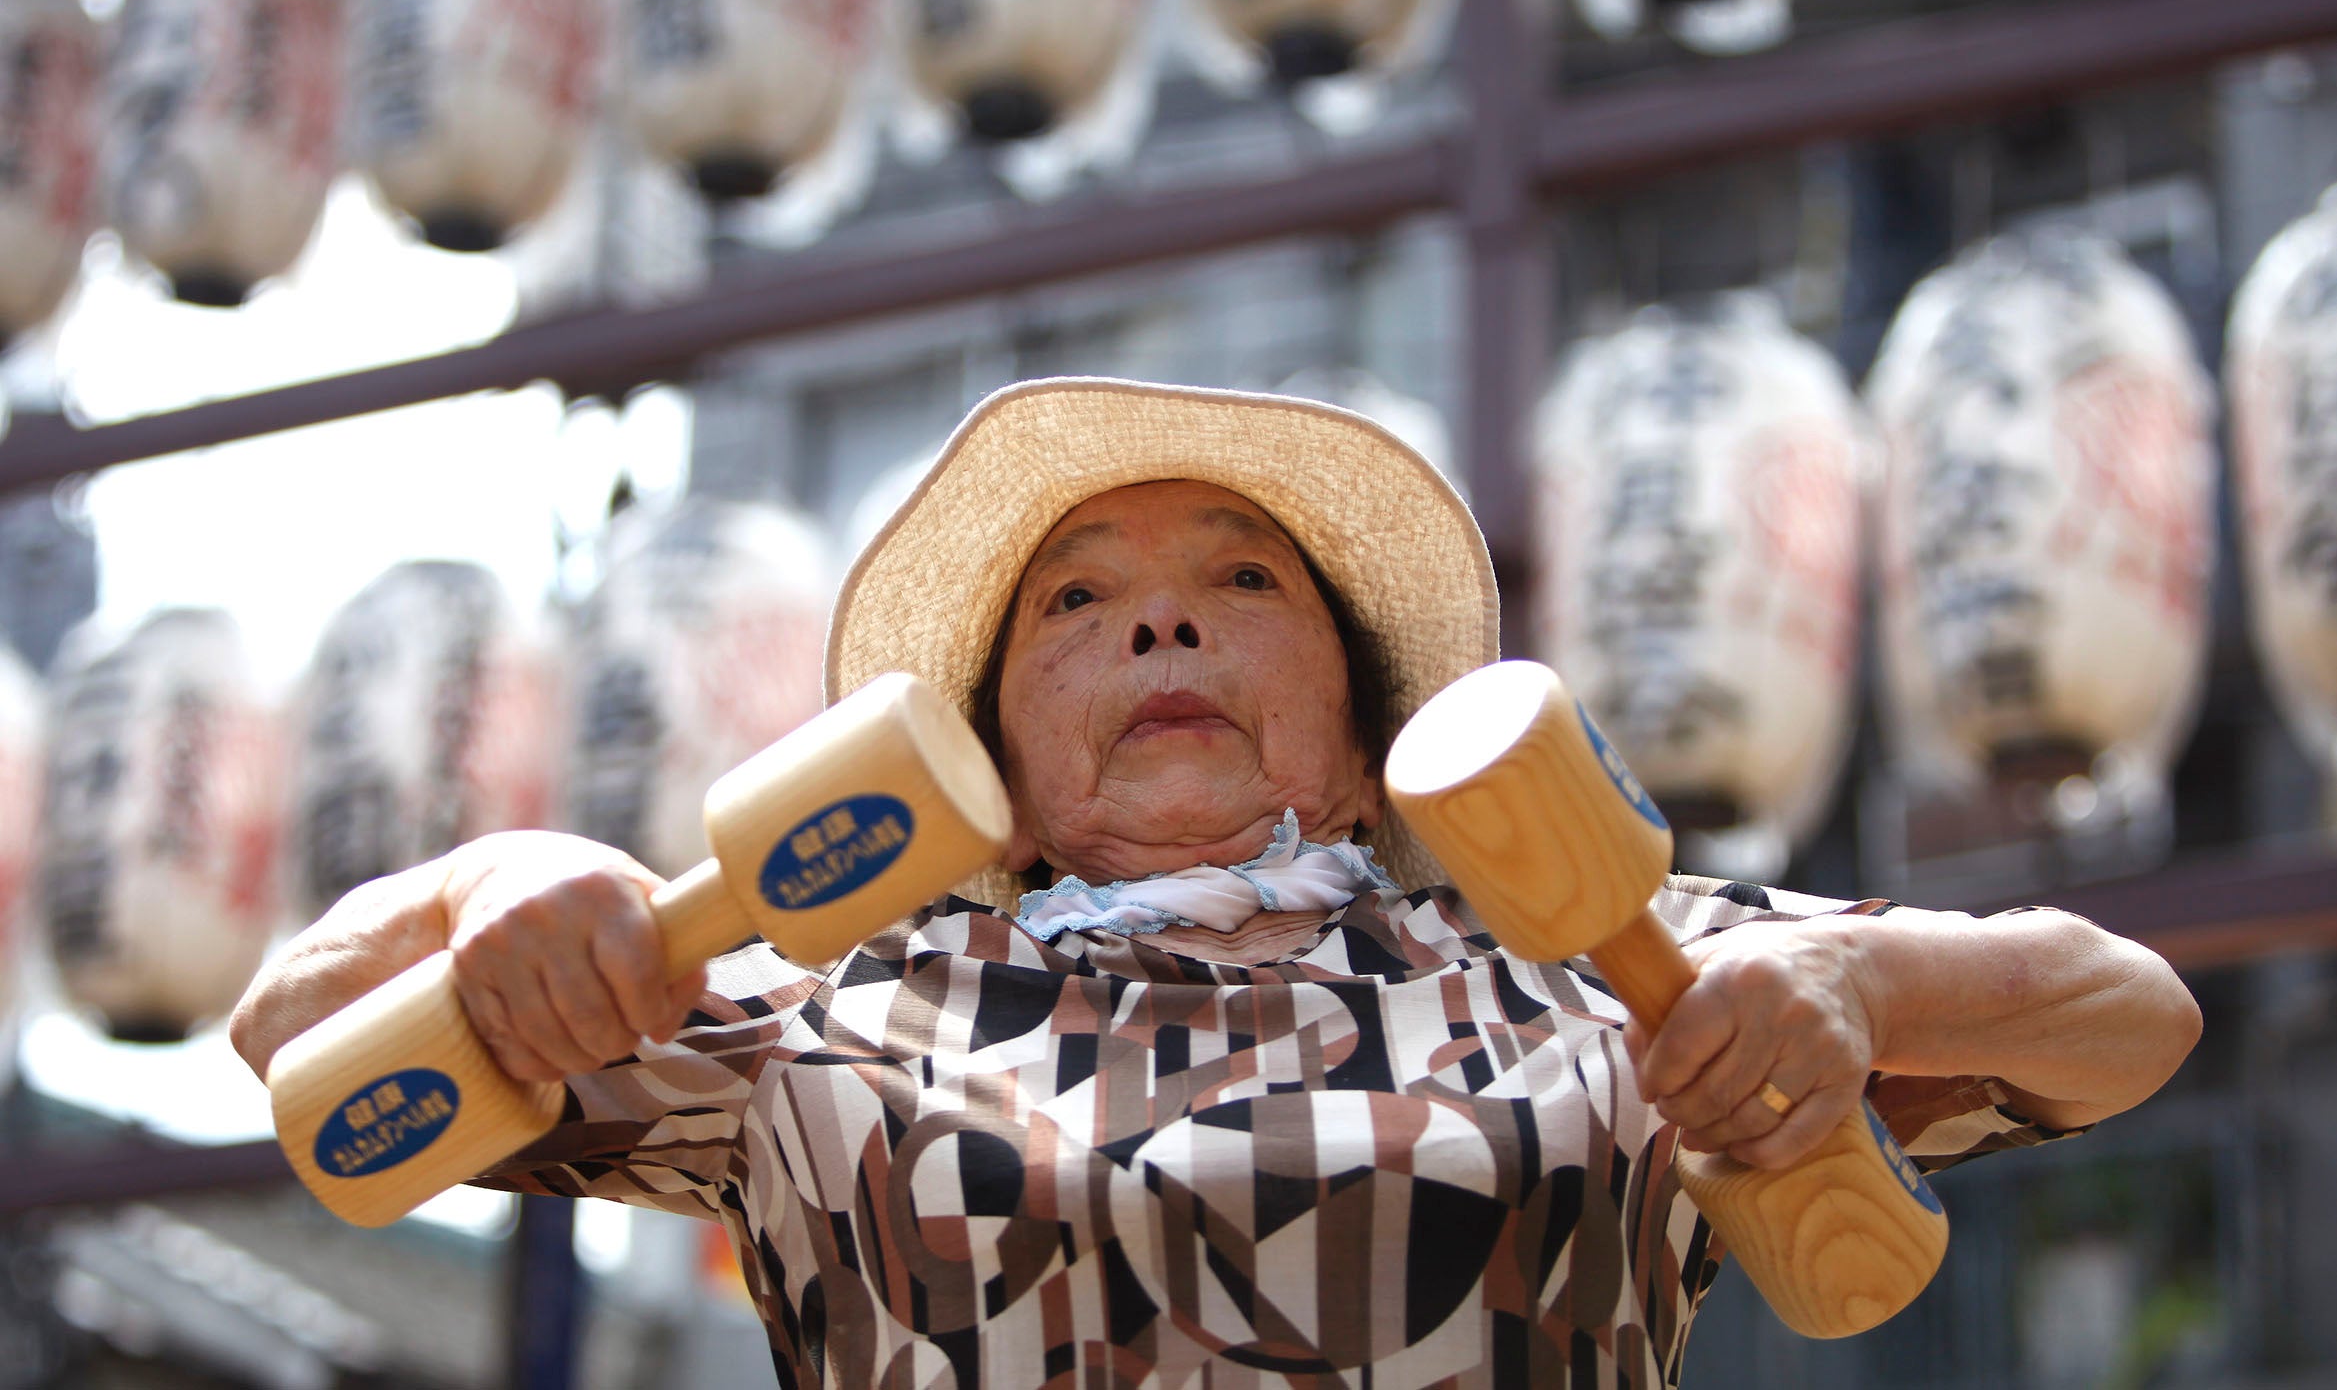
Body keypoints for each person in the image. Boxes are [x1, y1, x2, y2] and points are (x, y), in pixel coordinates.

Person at [232, 378, 2201, 1388]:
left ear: (1355, 734)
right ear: (987, 770)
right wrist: (507, 887)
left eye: (1238, 580)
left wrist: (1849, 998)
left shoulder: (1589, 970)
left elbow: (2123, 1011)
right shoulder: (823, 1030)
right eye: (1075, 601)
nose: (1159, 611)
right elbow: (290, 1031)